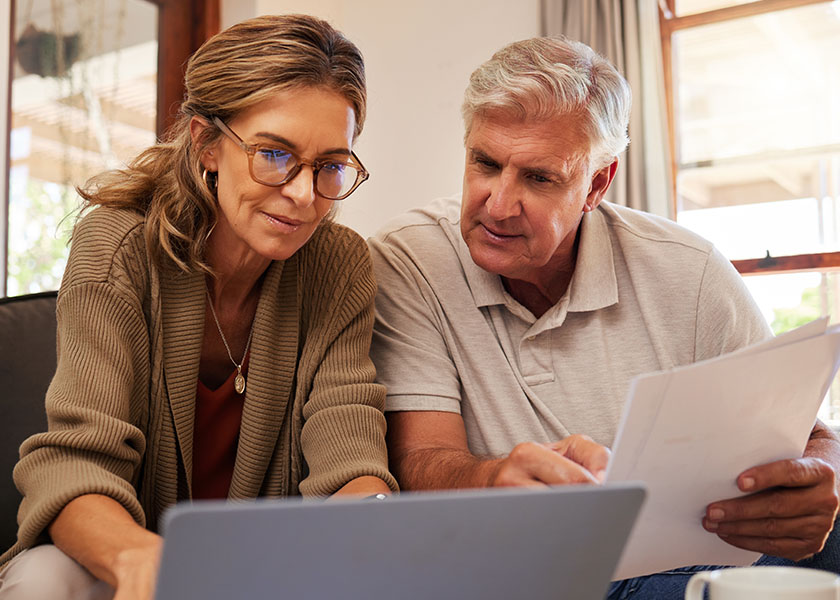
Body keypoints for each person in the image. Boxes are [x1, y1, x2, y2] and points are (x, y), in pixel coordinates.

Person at [368, 35, 840, 598]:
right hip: (539, 571)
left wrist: (823, 470)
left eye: (539, 178)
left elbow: (803, 430)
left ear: (597, 184)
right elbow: (421, 460)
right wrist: (493, 479)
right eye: (485, 163)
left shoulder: (689, 270)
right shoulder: (407, 258)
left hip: (697, 555)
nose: (497, 204)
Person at [0, 14, 396, 600]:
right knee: (43, 579)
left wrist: (380, 529)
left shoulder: (340, 265)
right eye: (275, 154)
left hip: (269, 570)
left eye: (331, 166)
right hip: (124, 557)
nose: (304, 195)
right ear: (206, 144)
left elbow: (348, 447)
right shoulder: (117, 247)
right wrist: (140, 558)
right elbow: (75, 466)